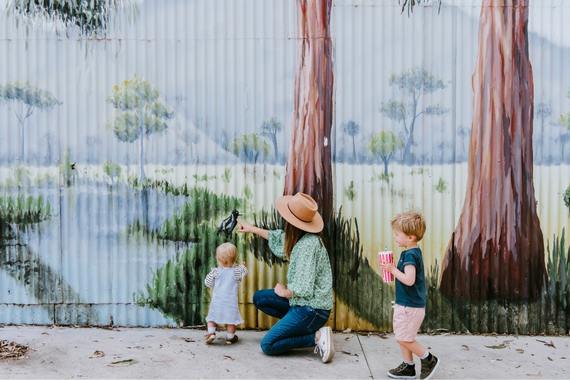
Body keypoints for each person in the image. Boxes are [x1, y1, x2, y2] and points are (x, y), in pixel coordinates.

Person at [238, 192, 335, 363]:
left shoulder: (308, 245)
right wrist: (252, 229)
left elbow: (303, 288)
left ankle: (316, 337)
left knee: (268, 345)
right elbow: (279, 239)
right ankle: (296, 326)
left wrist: (284, 292)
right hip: (302, 304)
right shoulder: (300, 237)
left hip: (313, 309)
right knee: (260, 298)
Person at [379, 211, 440, 379]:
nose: (395, 237)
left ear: (411, 237)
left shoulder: (410, 255)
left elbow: (409, 279)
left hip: (410, 307)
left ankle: (428, 359)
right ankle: (408, 366)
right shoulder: (410, 252)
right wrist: (391, 272)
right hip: (406, 304)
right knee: (402, 336)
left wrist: (392, 270)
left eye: (398, 234)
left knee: (405, 338)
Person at [204, 242, 248, 345]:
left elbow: (207, 283)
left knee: (212, 318)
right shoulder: (237, 271)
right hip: (230, 303)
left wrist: (212, 280)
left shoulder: (215, 272)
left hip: (217, 302)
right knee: (231, 320)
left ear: (218, 259)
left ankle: (211, 333)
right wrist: (243, 266)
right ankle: (230, 337)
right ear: (234, 258)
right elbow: (244, 272)